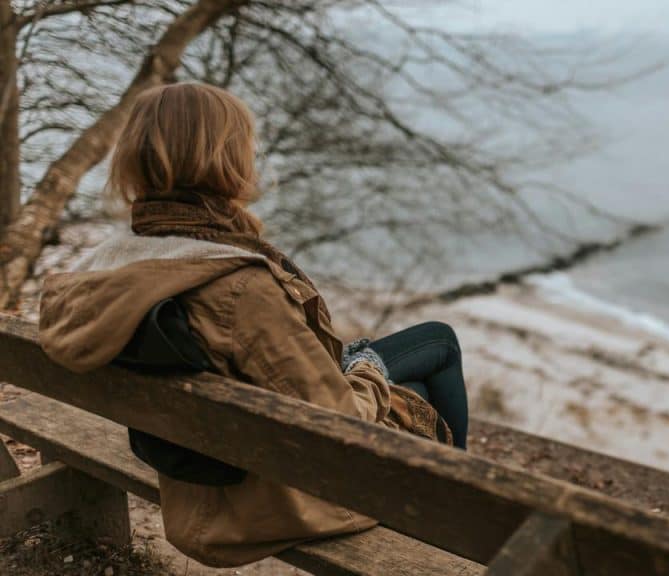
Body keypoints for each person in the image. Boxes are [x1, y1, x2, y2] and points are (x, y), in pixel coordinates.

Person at [35, 82, 468, 568]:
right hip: (268, 502)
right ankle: (462, 528)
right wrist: (366, 370)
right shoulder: (239, 287)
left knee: (432, 341)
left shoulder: (108, 265)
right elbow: (338, 424)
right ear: (224, 157)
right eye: (246, 146)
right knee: (432, 358)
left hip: (195, 487)